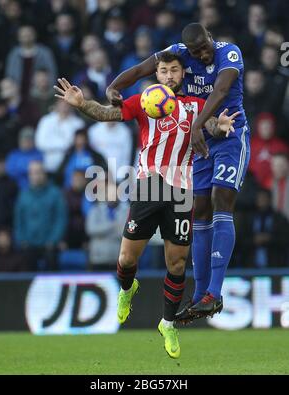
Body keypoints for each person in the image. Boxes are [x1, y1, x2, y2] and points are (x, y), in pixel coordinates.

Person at [54, 51, 237, 358]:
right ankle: (128, 290)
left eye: (174, 70)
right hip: (148, 187)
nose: (168, 75)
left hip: (181, 191)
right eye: (163, 70)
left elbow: (213, 129)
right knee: (127, 260)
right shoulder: (144, 100)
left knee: (177, 263)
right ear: (157, 74)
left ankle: (167, 323)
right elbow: (107, 114)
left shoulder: (196, 107)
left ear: (183, 75)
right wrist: (83, 104)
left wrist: (220, 127)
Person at [105, 22, 251, 324]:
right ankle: (200, 297)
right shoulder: (179, 53)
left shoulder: (229, 53)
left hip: (228, 133)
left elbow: (223, 89)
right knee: (199, 210)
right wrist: (115, 85)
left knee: (222, 200)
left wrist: (198, 125)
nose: (202, 55)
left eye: (204, 48)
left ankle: (214, 291)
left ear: (211, 38)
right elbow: (144, 68)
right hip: (197, 140)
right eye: (196, 52)